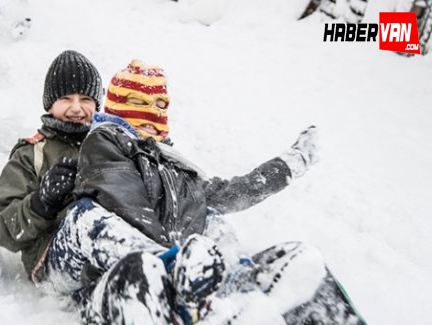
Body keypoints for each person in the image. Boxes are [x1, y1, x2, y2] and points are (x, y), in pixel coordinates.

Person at [46, 60, 365, 324]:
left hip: (182, 287)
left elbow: (232, 193)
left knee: (296, 258)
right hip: (113, 285)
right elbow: (121, 198)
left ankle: (241, 295)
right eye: (142, 104)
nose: (155, 115)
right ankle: (189, 280)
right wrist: (175, 261)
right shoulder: (105, 142)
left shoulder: (176, 168)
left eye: (160, 105)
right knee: (91, 220)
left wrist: (288, 165)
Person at [0, 50, 104, 283]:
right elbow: (0, 227)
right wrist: (42, 202)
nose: (77, 108)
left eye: (86, 99)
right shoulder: (32, 154)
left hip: (103, 245)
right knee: (85, 216)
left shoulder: (106, 145)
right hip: (53, 256)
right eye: (66, 99)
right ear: (50, 104)